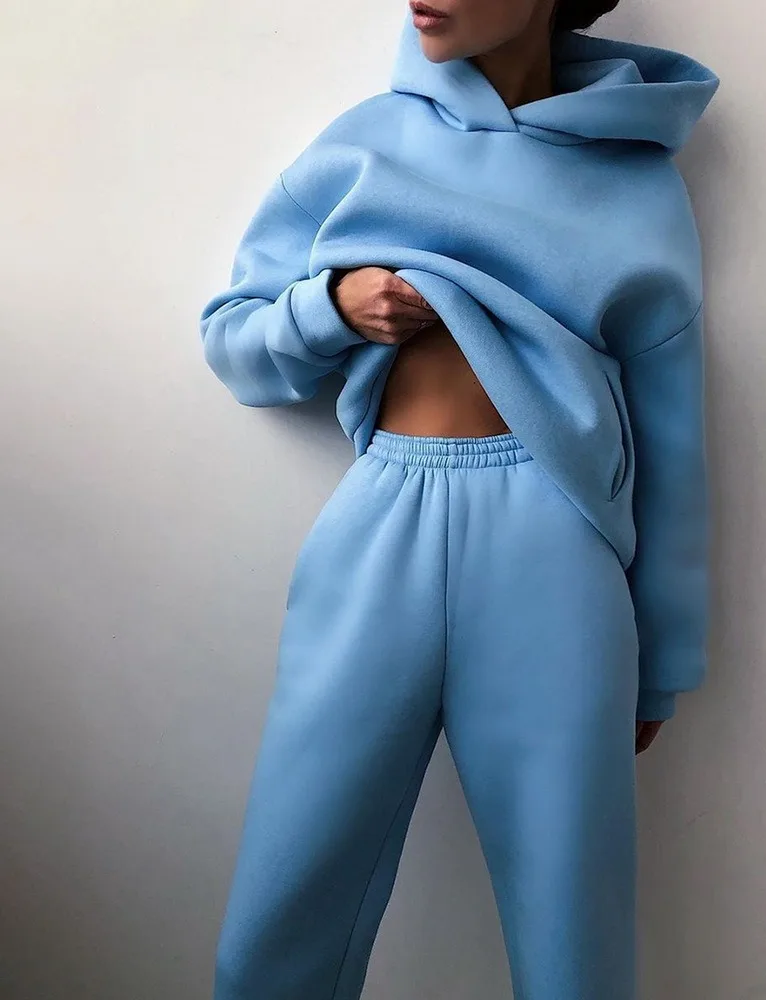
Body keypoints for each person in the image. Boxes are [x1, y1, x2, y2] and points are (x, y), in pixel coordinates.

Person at [199, 1, 719, 997]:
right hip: (378, 527)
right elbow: (235, 341)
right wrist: (329, 305)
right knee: (285, 897)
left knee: (572, 922)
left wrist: (663, 663)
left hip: (557, 547)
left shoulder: (636, 180)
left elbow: (674, 435)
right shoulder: (360, 145)